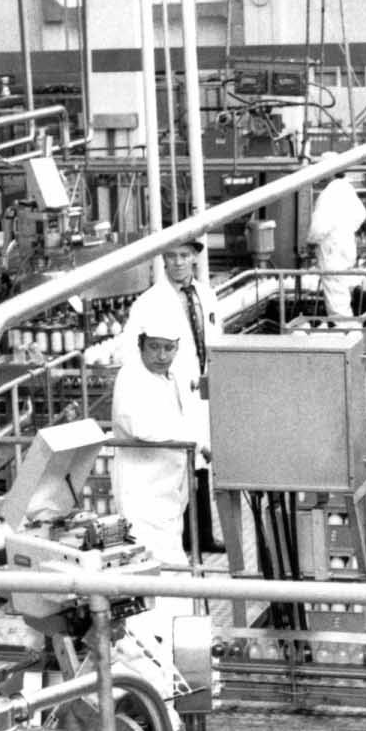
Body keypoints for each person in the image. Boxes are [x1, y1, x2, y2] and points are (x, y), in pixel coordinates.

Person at [119, 238, 223, 554]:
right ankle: (191, 537)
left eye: (184, 256)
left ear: (194, 258)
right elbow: (132, 350)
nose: (178, 262)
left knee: (199, 461)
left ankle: (203, 535)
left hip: (201, 386)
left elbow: (215, 338)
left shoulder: (205, 295)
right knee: (184, 458)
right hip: (171, 387)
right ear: (163, 260)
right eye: (172, 256)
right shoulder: (148, 302)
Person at [111, 332, 207, 567]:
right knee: (154, 562)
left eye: (168, 348)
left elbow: (185, 418)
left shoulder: (171, 376)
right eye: (154, 347)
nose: (162, 356)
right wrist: (194, 442)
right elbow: (139, 427)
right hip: (142, 491)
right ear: (140, 346)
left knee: (170, 556)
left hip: (169, 491)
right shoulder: (131, 376)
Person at [306, 157, 366, 317]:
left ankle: (346, 330)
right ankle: (349, 326)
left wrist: (310, 241)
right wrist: (345, 230)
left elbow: (319, 227)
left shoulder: (328, 194)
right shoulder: (347, 189)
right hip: (346, 247)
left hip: (332, 252)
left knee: (337, 301)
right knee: (342, 291)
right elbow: (361, 214)